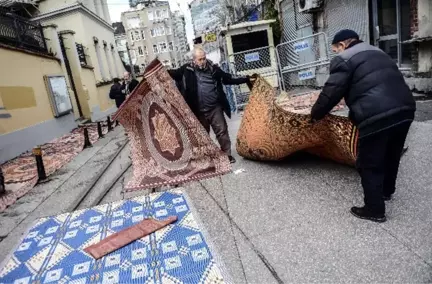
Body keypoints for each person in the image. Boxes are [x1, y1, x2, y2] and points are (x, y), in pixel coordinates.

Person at [310, 29, 416, 223]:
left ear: (342, 45)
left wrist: (315, 114)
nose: (336, 53)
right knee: (392, 154)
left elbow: (330, 93)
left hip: (376, 114)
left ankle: (374, 209)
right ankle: (386, 191)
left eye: (336, 49)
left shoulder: (344, 59)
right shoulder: (378, 52)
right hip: (405, 109)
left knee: (369, 162)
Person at [168, 47, 256, 163]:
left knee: (222, 131)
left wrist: (246, 79)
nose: (203, 61)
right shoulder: (186, 70)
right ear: (194, 60)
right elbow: (173, 74)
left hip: (214, 108)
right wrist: (159, 71)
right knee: (202, 136)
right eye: (200, 59)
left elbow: (228, 78)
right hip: (197, 110)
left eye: (204, 58)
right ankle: (206, 158)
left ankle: (227, 155)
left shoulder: (213, 69)